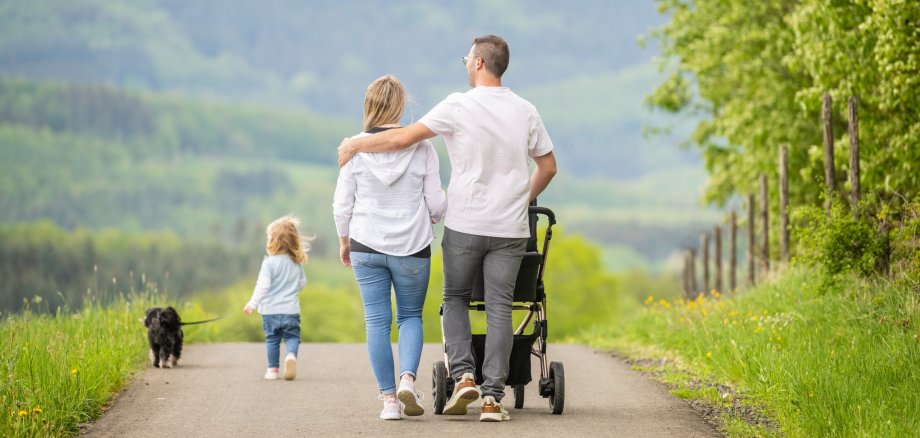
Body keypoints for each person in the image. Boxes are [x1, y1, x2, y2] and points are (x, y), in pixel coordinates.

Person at [337, 35, 557, 422]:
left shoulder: (458, 105)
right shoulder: (526, 110)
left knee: (455, 299)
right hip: (510, 227)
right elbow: (548, 167)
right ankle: (492, 399)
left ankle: (464, 376)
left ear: (477, 63)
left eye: (466, 57)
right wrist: (522, 201)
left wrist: (355, 146)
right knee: (501, 308)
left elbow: (403, 137)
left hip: (466, 224)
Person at [333, 75, 447, 420]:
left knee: (377, 322)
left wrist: (344, 240)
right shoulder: (423, 148)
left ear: (369, 106)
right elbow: (437, 203)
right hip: (412, 246)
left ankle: (388, 402)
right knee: (410, 316)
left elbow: (342, 204)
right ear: (400, 105)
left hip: (366, 243)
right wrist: (432, 217)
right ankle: (407, 381)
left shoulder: (353, 148)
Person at [243, 215, 310, 381]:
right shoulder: (296, 262)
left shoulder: (269, 263)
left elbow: (263, 286)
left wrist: (252, 303)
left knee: (272, 340)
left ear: (274, 241)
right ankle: (291, 356)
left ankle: (272, 370)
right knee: (292, 337)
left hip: (270, 310)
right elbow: (302, 284)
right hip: (291, 310)